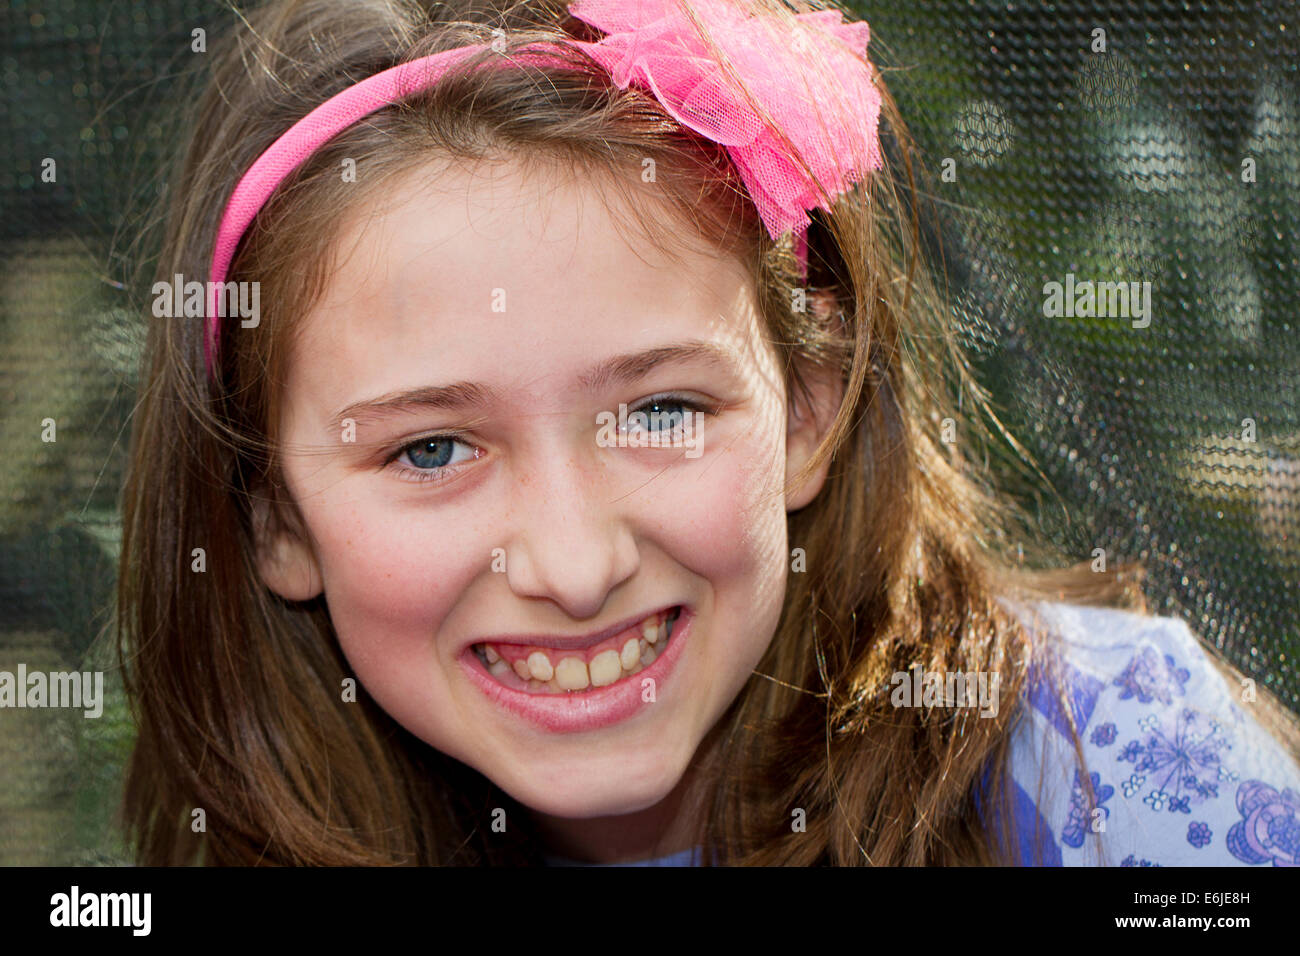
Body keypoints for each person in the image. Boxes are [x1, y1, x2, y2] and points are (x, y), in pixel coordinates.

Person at [116, 0, 1300, 866]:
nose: (576, 568)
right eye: (431, 448)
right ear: (271, 515)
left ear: (809, 404)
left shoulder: (1117, 774)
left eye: (661, 410)